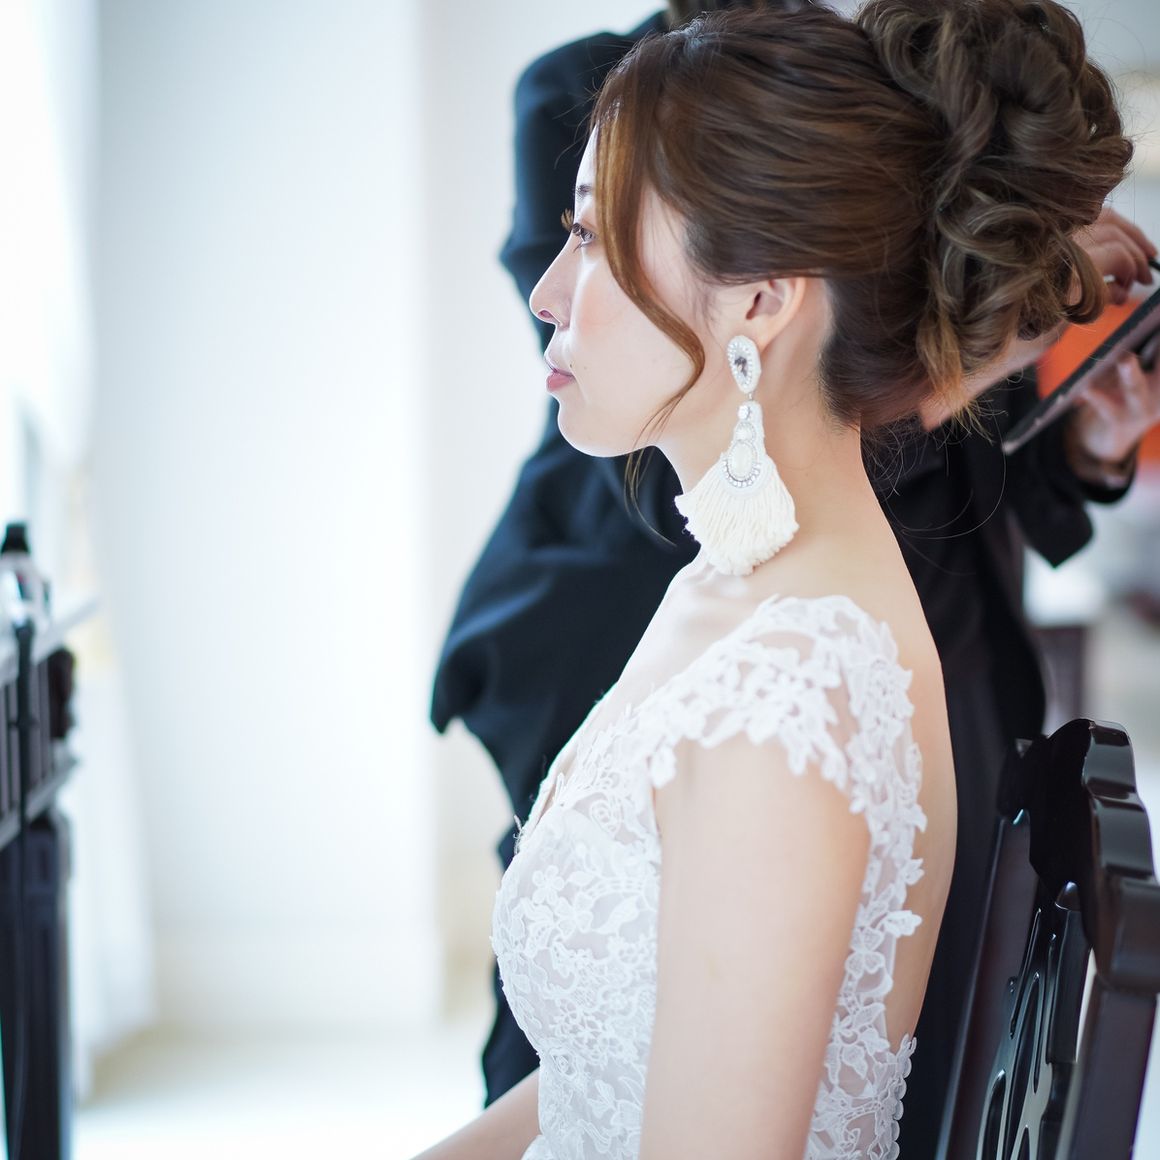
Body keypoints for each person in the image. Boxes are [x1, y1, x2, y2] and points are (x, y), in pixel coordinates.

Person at [430, 1, 1160, 1152]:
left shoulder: (778, 705)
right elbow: (594, 1077)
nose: (547, 293)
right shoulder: (723, 587)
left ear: (762, 301)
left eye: (593, 239)